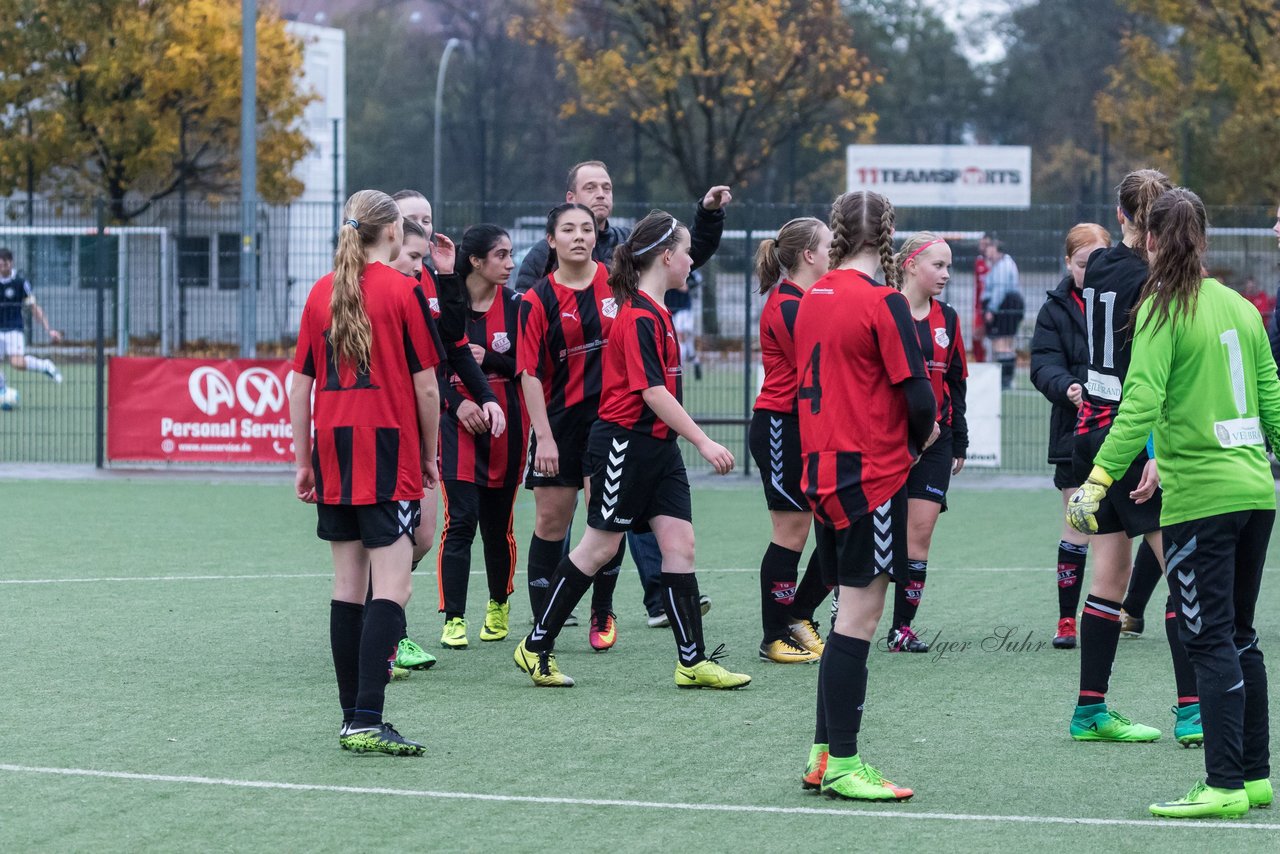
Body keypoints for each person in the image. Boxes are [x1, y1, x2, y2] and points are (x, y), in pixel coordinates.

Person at [1068, 187, 1277, 819]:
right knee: (1241, 637)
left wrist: (1099, 479)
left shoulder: (1161, 307)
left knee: (1208, 638)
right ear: (1204, 239)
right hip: (1254, 493)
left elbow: (1138, 406)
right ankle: (1256, 776)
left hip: (1202, 498)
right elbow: (1271, 392)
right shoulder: (1239, 306)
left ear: (1150, 239)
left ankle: (1221, 784)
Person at [513, 209, 750, 690]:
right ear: (666, 256)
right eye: (686, 252)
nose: (690, 262)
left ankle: (692, 660)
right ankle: (536, 644)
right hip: (623, 444)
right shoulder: (637, 315)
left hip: (658, 450)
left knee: (680, 545)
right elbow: (653, 393)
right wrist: (703, 440)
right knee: (600, 546)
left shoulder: (655, 310)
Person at [288, 189, 441, 756]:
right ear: (393, 234)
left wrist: (304, 460)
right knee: (393, 587)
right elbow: (427, 386)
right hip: (385, 448)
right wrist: (428, 455)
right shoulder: (405, 290)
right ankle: (367, 719)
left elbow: (299, 385)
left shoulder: (321, 292)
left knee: (348, 585)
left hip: (334, 448)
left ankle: (353, 715)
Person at [795, 191, 937, 802]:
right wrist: (916, 444)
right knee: (859, 619)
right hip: (870, 475)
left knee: (844, 613)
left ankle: (824, 755)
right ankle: (848, 763)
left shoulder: (810, 298)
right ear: (887, 234)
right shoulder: (883, 301)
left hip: (822, 470)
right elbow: (920, 398)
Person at [1064, 168, 1201, 747]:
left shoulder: (1096, 264)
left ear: (1120, 216)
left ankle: (1090, 710)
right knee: (1185, 572)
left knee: (1110, 575)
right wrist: (1153, 451)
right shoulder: (1155, 281)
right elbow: (1146, 380)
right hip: (1131, 435)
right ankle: (1193, 708)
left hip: (1091, 430)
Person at [1030, 224, 1161, 649]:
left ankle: (1129, 611)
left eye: (1100, 258)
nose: (1094, 268)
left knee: (1146, 529)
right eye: (1085, 262)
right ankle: (1067, 620)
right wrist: (1067, 386)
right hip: (1078, 433)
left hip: (1129, 430)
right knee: (1078, 529)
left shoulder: (1131, 291)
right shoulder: (1055, 308)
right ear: (1068, 263)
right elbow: (1043, 362)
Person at [383, 215, 503, 673]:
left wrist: (448, 275)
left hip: (418, 432)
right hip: (386, 434)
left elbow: (450, 344)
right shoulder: (369, 291)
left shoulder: (428, 279)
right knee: (383, 541)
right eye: (414, 251)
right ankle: (389, 637)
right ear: (389, 234)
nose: (421, 258)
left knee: (419, 537)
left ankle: (379, 624)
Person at [518, 203, 628, 649]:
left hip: (610, 422)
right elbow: (528, 373)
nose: (579, 236)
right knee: (550, 522)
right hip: (559, 422)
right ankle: (545, 620)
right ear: (552, 240)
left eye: (586, 228)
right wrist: (542, 435)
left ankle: (602, 613)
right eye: (568, 229)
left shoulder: (618, 285)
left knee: (604, 521)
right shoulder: (537, 298)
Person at [435, 225, 528, 649]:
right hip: (456, 421)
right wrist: (458, 403)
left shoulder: (518, 307)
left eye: (511, 255)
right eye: (502, 255)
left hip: (505, 422)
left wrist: (490, 357)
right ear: (475, 261)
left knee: (498, 525)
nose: (511, 263)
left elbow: (530, 368)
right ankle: (453, 617)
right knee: (461, 521)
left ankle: (498, 603)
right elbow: (431, 368)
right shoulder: (443, 306)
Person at [749, 217, 834, 665]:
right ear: (809, 255)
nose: (834, 252)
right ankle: (773, 637)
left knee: (837, 525)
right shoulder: (787, 305)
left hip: (810, 429)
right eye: (829, 246)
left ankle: (799, 616)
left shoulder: (810, 299)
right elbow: (824, 363)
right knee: (792, 531)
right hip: (781, 427)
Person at [885, 232, 968, 654]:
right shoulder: (883, 307)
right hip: (887, 441)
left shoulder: (948, 319)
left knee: (919, 535)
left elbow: (955, 381)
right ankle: (846, 616)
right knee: (877, 537)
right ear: (911, 264)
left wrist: (960, 442)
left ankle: (901, 628)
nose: (946, 274)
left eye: (949, 266)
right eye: (938, 265)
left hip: (937, 442)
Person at [0, 247, 63, 390]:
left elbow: (34, 307)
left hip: (13, 328)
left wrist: (49, 330)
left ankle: (45, 365)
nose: (2, 268)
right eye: (0, 265)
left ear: (11, 263)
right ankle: (2, 390)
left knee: (17, 363)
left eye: (5, 264)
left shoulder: (20, 283)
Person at [981, 234, 1023, 389]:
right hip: (1005, 306)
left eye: (989, 247)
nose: (986, 251)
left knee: (1002, 343)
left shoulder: (1003, 266)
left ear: (996, 249)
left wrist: (991, 309)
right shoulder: (1000, 264)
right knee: (1005, 343)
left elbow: (999, 289)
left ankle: (1006, 380)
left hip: (1005, 307)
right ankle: (1006, 379)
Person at [665, 269, 702, 380]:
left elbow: (691, 283)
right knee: (679, 338)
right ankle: (694, 359)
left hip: (683, 308)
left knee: (680, 336)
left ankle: (679, 368)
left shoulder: (688, 267)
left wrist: (679, 282)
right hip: (668, 308)